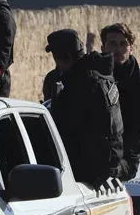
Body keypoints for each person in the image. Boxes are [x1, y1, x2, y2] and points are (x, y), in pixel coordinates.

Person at [47, 29, 125, 186]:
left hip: (86, 172)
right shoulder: (99, 77)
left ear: (68, 57)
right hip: (103, 165)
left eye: (57, 58)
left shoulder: (82, 85)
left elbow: (68, 130)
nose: (57, 65)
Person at [100, 23, 140, 180]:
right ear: (103, 47)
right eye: (112, 43)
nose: (117, 49)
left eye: (123, 44)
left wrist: (111, 153)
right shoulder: (94, 79)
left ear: (131, 49)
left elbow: (136, 133)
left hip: (124, 159)